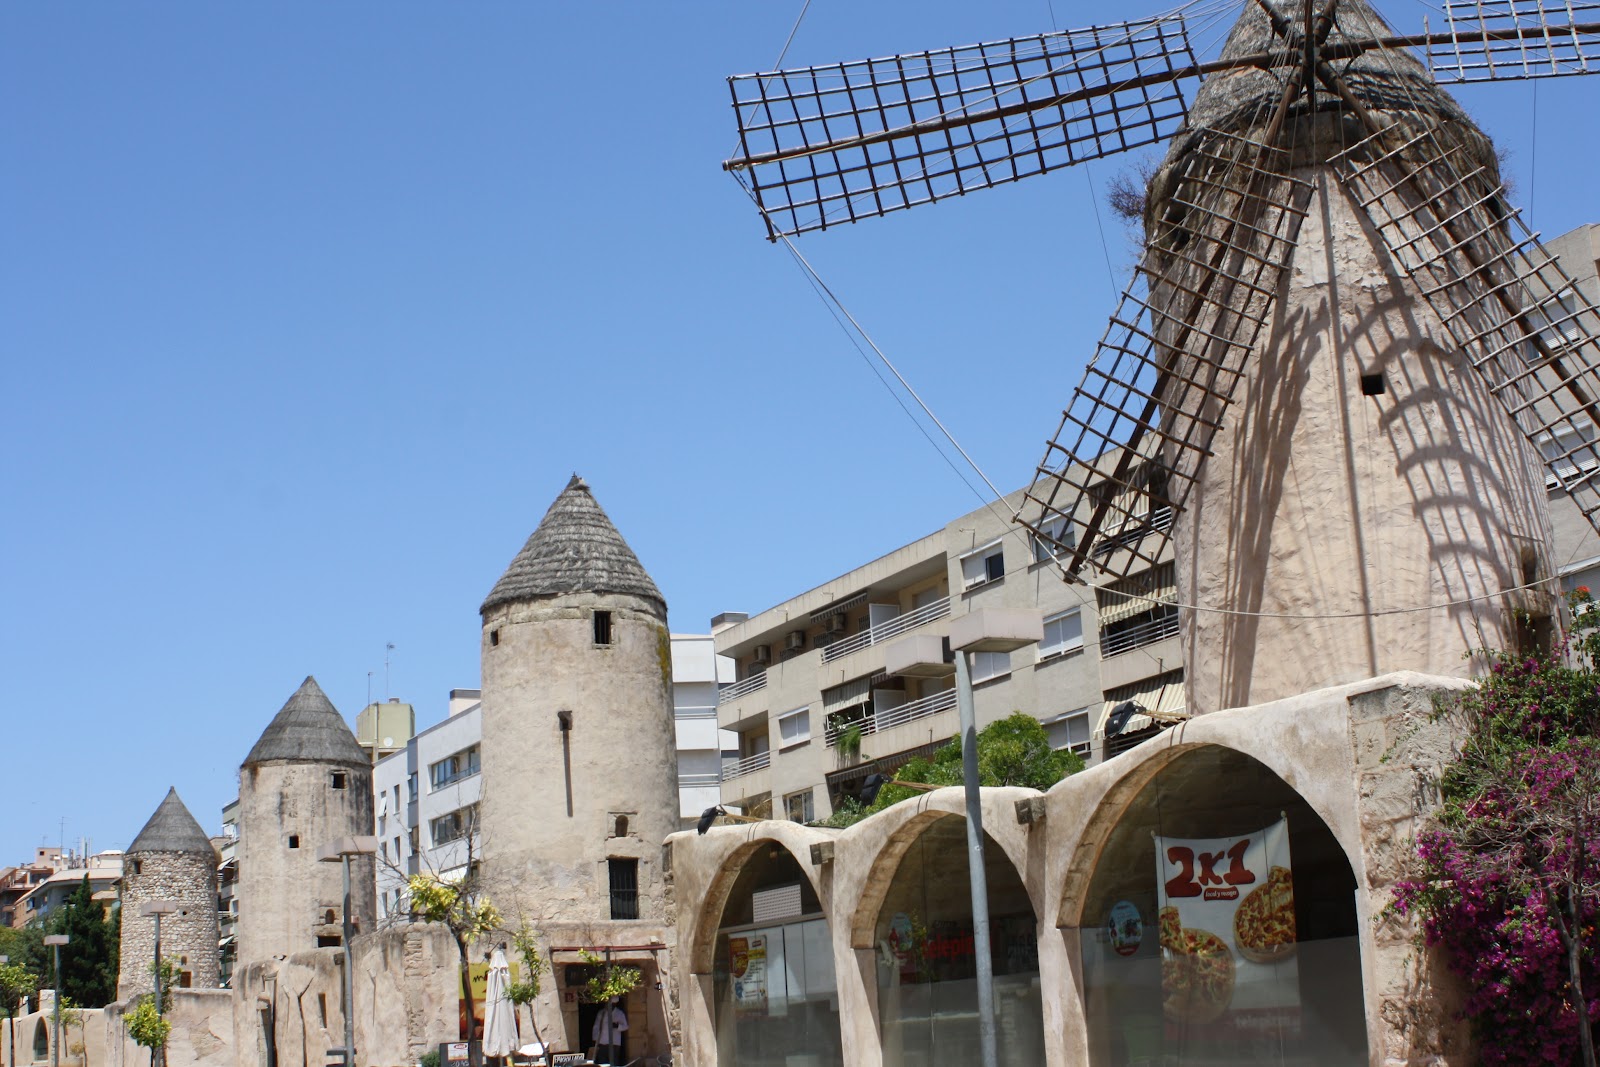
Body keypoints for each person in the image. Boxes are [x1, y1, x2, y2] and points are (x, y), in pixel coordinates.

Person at [591, 998, 628, 1065]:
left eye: (612, 1004)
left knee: (614, 1062)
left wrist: (617, 1026)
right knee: (602, 1062)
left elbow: (625, 1026)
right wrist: (596, 1040)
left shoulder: (619, 1013)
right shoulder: (601, 1013)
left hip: (615, 1043)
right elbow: (596, 1027)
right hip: (602, 1042)